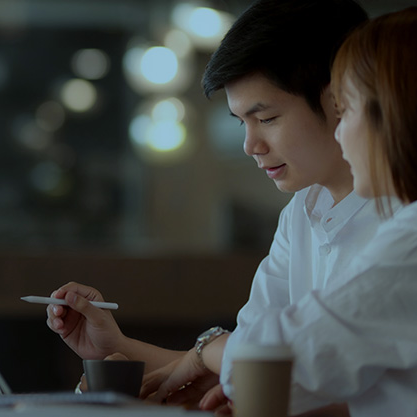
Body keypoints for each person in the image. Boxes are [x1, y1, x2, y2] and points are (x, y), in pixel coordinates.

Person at [144, 4, 417, 416]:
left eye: (346, 110)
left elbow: (284, 356)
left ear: (403, 117)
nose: (341, 133)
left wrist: (210, 353)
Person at [45, 0, 375, 413]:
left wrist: (213, 354)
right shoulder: (302, 211)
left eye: (267, 118)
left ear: (339, 100)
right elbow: (245, 362)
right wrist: (120, 347)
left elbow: (283, 373)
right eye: (242, 122)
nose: (250, 146)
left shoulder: (410, 219)